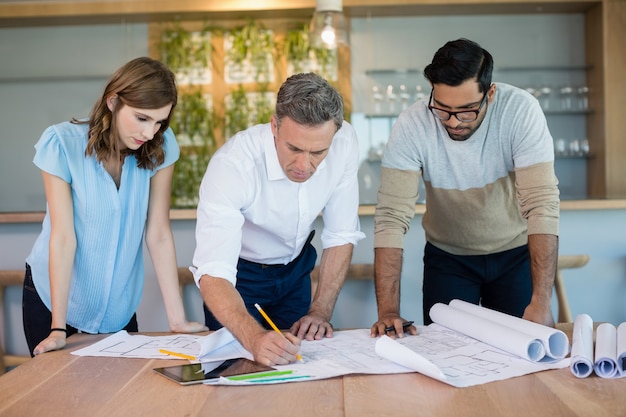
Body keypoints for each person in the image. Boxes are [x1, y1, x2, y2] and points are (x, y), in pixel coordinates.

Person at [370, 38, 560, 338]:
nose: (454, 122)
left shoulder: (521, 111)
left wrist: (542, 301)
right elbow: (391, 216)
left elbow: (542, 204)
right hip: (448, 259)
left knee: (522, 352)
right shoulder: (412, 124)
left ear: (490, 93)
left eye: (467, 110)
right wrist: (388, 311)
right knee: (447, 353)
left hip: (514, 254)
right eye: (443, 109)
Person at [22, 57, 207, 357]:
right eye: (142, 118)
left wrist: (178, 320)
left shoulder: (161, 145)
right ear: (113, 101)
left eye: (159, 121)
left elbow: (158, 232)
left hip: (118, 307)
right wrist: (57, 328)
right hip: (55, 301)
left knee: (120, 399)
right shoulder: (62, 144)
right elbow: (63, 237)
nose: (149, 133)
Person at [191, 72, 365, 366]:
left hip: (295, 272)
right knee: (238, 368)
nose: (303, 165)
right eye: (294, 148)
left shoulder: (344, 141)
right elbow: (213, 272)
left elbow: (341, 234)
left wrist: (320, 310)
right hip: (239, 279)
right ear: (274, 125)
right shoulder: (233, 165)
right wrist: (255, 338)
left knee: (296, 367)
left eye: (318, 152)